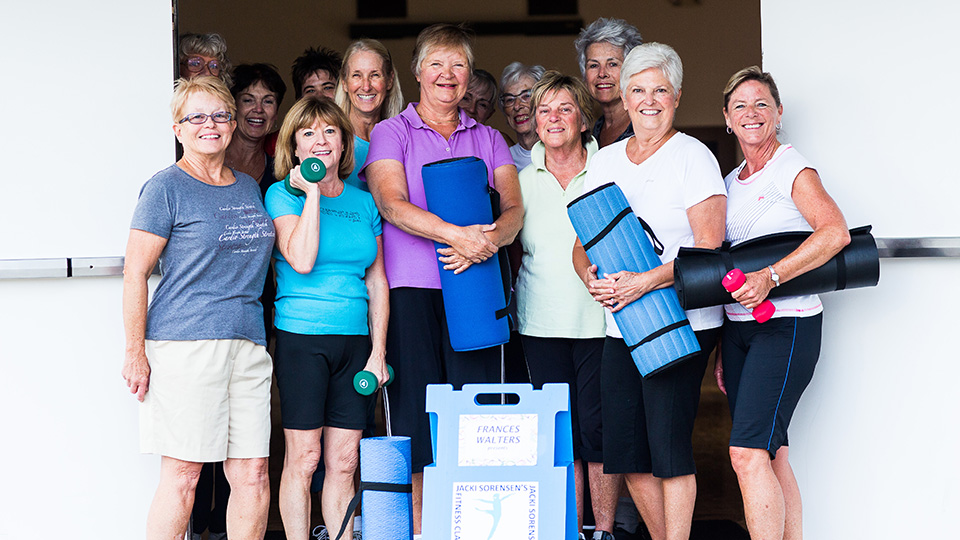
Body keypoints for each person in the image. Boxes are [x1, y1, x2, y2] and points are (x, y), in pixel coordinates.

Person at [362, 23, 523, 537]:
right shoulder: (392, 133)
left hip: (475, 292)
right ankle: (419, 529)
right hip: (413, 293)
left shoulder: (489, 136)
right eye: (437, 64)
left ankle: (468, 528)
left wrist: (491, 239)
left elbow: (515, 208)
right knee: (414, 419)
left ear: (469, 75)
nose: (447, 75)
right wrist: (460, 236)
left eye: (458, 66)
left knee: (474, 417)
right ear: (417, 72)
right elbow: (392, 203)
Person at [573, 43, 726, 540]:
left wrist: (646, 280)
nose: (648, 99)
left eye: (660, 89)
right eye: (638, 89)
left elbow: (708, 246)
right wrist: (589, 277)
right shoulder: (607, 160)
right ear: (623, 94)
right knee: (629, 454)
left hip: (677, 326)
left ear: (677, 96)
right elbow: (583, 242)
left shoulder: (693, 157)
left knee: (669, 452)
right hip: (621, 328)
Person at [121, 76, 275, 540]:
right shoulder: (166, 188)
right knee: (185, 476)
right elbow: (135, 274)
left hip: (248, 344)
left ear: (232, 126)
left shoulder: (248, 187)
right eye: (197, 117)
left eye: (220, 115)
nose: (211, 124)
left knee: (252, 474)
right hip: (184, 345)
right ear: (178, 128)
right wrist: (134, 352)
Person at [715, 66, 850, 540]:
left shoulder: (792, 166)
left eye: (761, 104)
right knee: (773, 453)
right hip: (740, 330)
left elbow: (835, 232)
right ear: (727, 118)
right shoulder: (731, 181)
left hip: (786, 325)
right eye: (740, 106)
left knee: (746, 454)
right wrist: (723, 345)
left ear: (777, 113)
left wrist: (772, 276)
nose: (751, 114)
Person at [265, 96, 388, 540]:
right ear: (294, 148)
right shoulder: (281, 194)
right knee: (304, 459)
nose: (320, 141)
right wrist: (312, 191)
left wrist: (378, 352)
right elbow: (300, 258)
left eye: (330, 132)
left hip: (355, 343)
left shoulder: (363, 202)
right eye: (308, 133)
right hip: (302, 339)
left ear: (344, 144)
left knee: (344, 461)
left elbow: (377, 284)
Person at [516, 71, 617, 540]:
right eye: (543, 111)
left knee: (598, 431)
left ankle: (604, 530)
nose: (552, 119)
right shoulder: (518, 180)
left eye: (564, 109)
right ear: (534, 122)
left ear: (583, 119)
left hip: (602, 321)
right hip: (539, 322)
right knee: (560, 437)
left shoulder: (609, 167)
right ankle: (569, 530)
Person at [334, 38, 404, 192]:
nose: (366, 86)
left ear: (389, 80)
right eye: (357, 75)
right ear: (344, 82)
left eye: (375, 75)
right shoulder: (332, 139)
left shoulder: (402, 137)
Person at [573, 18, 643, 148]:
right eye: (594, 65)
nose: (602, 73)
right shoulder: (596, 130)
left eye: (612, 64)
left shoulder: (644, 128)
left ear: (631, 70)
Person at [498, 62, 546, 171]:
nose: (517, 106)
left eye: (527, 96)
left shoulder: (560, 153)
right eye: (509, 99)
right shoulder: (503, 161)